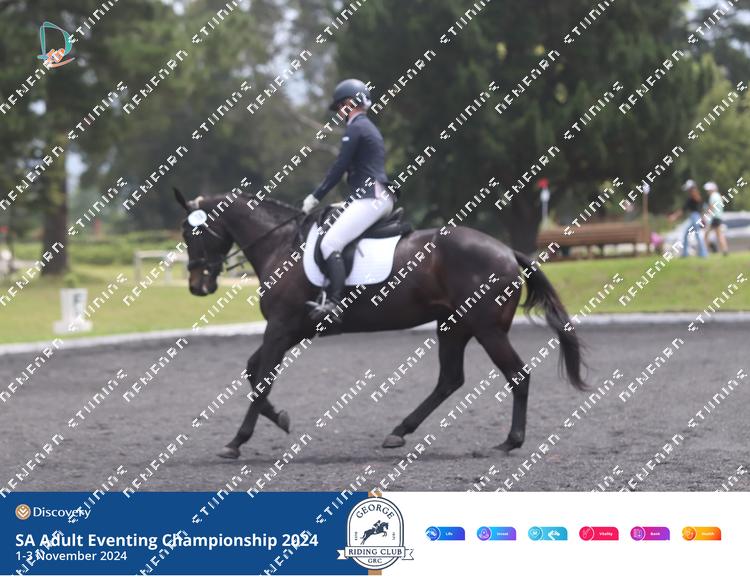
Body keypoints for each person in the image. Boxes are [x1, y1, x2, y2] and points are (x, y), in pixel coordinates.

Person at [301, 79, 395, 324]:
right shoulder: (367, 127)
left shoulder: (356, 128)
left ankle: (335, 303)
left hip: (371, 198)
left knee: (329, 243)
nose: (340, 112)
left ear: (351, 103)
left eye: (341, 106)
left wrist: (316, 196)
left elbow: (339, 167)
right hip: (375, 196)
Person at [668, 179, 707, 258]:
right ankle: (685, 253)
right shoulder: (691, 198)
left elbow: (683, 209)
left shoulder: (694, 196)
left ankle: (703, 253)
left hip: (695, 217)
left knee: (697, 235)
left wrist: (674, 216)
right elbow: (683, 209)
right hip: (693, 217)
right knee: (687, 234)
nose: (688, 191)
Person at [702, 181, 729, 256]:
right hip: (719, 217)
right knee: (719, 235)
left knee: (707, 235)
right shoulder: (718, 196)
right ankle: (724, 250)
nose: (707, 191)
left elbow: (712, 207)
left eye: (708, 190)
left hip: (714, 218)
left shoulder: (713, 196)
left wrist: (705, 215)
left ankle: (704, 252)